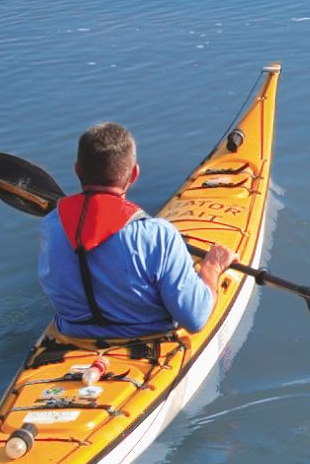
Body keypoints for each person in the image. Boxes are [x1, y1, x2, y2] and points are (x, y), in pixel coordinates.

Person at [41, 120, 232, 341]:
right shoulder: (158, 235)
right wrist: (212, 267)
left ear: (77, 170)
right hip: (148, 340)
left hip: (72, 336)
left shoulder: (52, 225)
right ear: (134, 174)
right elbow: (196, 318)